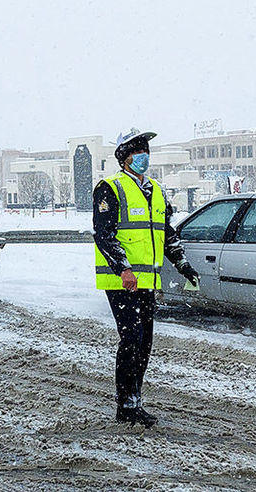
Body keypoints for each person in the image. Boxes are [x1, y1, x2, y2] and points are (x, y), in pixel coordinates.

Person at [93, 128, 199, 428]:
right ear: (124, 157)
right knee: (131, 339)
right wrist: (123, 268)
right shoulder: (109, 188)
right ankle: (125, 406)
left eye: (146, 150)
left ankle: (135, 401)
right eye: (137, 150)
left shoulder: (156, 189)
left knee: (144, 344)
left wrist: (183, 265)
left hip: (147, 282)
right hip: (121, 281)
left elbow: (166, 233)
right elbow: (104, 235)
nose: (144, 156)